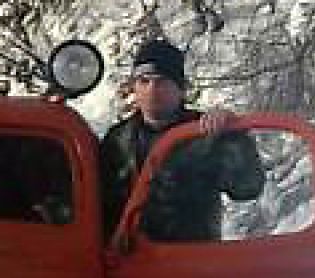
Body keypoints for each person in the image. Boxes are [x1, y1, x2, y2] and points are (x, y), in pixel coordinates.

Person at [99, 39, 265, 243]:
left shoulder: (205, 133)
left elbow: (248, 188)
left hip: (190, 263)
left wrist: (233, 135)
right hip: (129, 263)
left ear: (180, 88)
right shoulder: (117, 140)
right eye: (144, 81)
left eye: (161, 81)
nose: (152, 90)